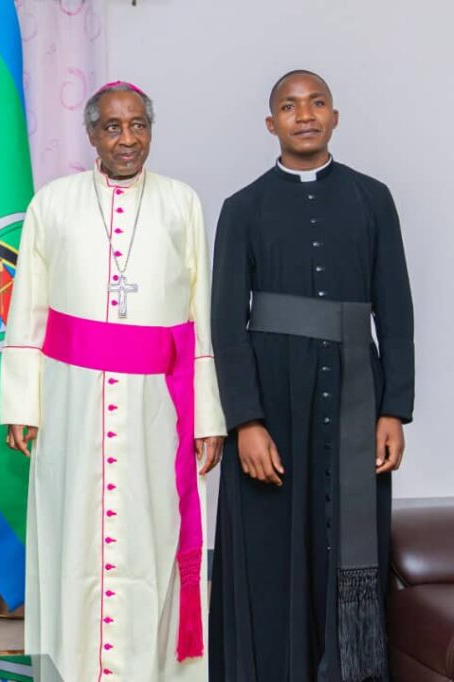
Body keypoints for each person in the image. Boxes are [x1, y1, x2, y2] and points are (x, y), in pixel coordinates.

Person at [0, 81, 226, 681]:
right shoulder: (52, 203)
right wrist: (21, 403)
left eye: (138, 126)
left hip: (158, 408)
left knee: (152, 536)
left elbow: (200, 315)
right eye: (113, 127)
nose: (127, 139)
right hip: (72, 401)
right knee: (73, 535)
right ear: (92, 135)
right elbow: (29, 308)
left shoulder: (181, 202)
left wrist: (207, 415)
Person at [209, 70, 414, 682]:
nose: (305, 115)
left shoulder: (373, 198)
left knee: (351, 543)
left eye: (317, 103)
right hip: (272, 400)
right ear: (271, 123)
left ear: (334, 117)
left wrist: (393, 410)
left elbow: (396, 310)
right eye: (290, 106)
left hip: (356, 393)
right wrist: (246, 421)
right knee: (271, 547)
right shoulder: (242, 208)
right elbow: (226, 325)